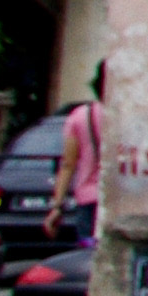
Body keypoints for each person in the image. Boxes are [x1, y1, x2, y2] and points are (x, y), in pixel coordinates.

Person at [53, 65, 102, 248]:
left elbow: (68, 164)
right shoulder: (126, 116)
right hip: (120, 200)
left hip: (88, 200)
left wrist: (57, 206)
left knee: (88, 255)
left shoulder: (80, 116)